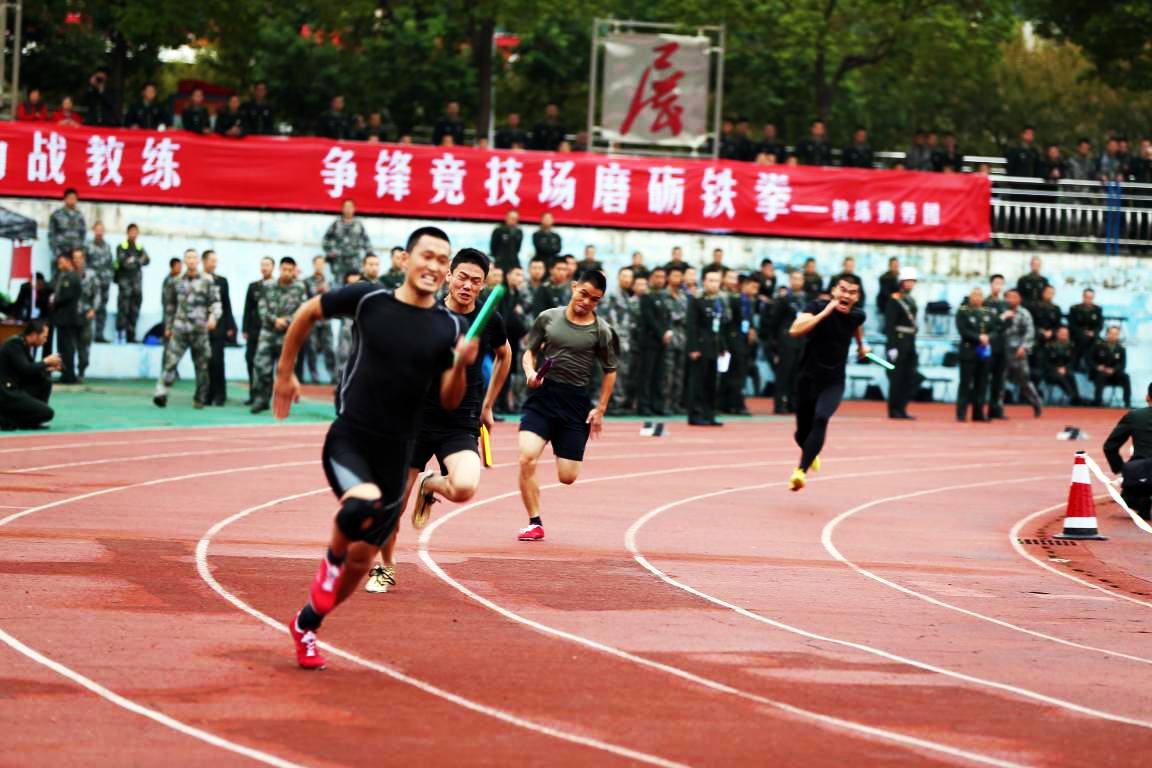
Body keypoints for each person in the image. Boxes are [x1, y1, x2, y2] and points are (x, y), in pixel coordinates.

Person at [271, 226, 477, 669]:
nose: (435, 266)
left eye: (443, 261)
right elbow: (308, 313)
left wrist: (461, 365)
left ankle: (307, 624)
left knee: (362, 561)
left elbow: (449, 400)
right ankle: (329, 561)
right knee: (357, 506)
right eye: (428, 256)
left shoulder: (449, 327)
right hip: (350, 439)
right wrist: (285, 372)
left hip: (396, 454)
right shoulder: (369, 300)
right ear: (405, 259)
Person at [365, 248, 512, 593]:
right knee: (392, 504)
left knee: (464, 487)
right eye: (462, 276)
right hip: (413, 422)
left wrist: (489, 405)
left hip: (460, 422)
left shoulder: (490, 319)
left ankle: (431, 484)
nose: (467, 285)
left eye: (476, 281)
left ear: (483, 285)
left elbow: (504, 354)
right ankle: (384, 566)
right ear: (448, 275)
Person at [516, 270, 617, 541]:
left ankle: (560, 441)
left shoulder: (602, 331)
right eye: (583, 293)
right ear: (574, 287)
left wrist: (601, 409)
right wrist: (530, 372)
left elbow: (610, 370)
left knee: (567, 476)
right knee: (526, 457)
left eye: (594, 299)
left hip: (575, 403)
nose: (586, 301)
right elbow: (529, 350)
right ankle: (534, 522)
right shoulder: (548, 317)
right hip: (544, 397)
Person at [786, 276, 868, 490]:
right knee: (801, 433)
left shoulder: (857, 316)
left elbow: (857, 329)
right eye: (843, 290)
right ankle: (810, 452)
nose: (847, 295)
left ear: (856, 297)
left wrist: (862, 346)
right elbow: (795, 330)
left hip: (833, 381)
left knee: (821, 418)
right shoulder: (816, 306)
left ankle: (800, 472)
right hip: (807, 378)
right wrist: (825, 313)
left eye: (852, 292)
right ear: (833, 291)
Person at [153, 249, 222, 409]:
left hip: (200, 330)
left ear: (198, 261)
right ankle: (161, 393)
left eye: (194, 258)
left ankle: (199, 398)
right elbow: (169, 305)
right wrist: (168, 326)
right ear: (184, 261)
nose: (191, 261)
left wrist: (213, 317)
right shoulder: (176, 281)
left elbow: (215, 302)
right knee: (170, 362)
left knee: (202, 366)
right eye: (188, 258)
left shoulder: (207, 280)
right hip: (180, 329)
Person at [251, 257, 307, 413]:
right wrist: (275, 320)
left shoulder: (299, 288)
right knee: (261, 367)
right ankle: (261, 400)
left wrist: (287, 321)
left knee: (286, 371)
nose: (287, 273)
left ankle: (283, 403)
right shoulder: (268, 286)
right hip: (268, 333)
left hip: (288, 336)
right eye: (284, 269)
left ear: (294, 271)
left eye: (290, 270)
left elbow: (302, 310)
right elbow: (261, 308)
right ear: (279, 269)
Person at [685, 269, 730, 427]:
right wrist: (693, 348)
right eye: (710, 280)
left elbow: (719, 327)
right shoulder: (697, 300)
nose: (713, 284)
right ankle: (695, 414)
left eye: (716, 281)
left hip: (714, 346)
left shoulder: (719, 301)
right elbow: (691, 326)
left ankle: (709, 413)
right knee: (697, 382)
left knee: (711, 382)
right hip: (700, 346)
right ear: (704, 282)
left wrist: (723, 347)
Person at [1103, 382, 1152, 521]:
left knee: (1129, 497)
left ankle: (1141, 498)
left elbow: (1110, 446)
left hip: (1141, 475)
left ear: (1147, 397)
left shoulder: (1134, 416)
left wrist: (1122, 471)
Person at [0, 321, 61, 430]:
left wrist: (46, 368)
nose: (45, 340)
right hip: (6, 393)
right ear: (33, 335)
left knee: (44, 383)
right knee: (47, 413)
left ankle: (30, 421)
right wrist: (45, 362)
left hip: (14, 388)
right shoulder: (14, 344)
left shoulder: (23, 344)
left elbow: (29, 372)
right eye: (44, 337)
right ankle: (6, 419)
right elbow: (26, 369)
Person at [766, 271, 808, 414]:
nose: (797, 281)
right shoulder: (784, 300)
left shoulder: (806, 299)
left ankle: (793, 403)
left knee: (797, 375)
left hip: (801, 341)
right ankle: (779, 404)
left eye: (800, 279)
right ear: (790, 280)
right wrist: (775, 344)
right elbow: (774, 322)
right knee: (783, 374)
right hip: (786, 340)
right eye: (794, 279)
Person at [998, 289, 1043, 418]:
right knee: (1000, 381)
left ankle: (1036, 403)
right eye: (1009, 297)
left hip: (1018, 352)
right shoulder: (1001, 311)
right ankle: (998, 409)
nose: (1011, 299)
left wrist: (1024, 347)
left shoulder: (1024, 313)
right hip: (1002, 352)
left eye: (1014, 297)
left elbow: (1030, 332)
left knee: (1025, 381)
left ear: (1019, 299)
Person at [720, 274, 760, 415]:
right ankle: (733, 404)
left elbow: (748, 320)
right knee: (734, 375)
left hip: (743, 342)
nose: (755, 291)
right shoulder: (736, 300)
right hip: (734, 341)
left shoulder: (749, 301)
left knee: (740, 374)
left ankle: (735, 403)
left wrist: (751, 329)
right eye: (753, 287)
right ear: (744, 285)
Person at [955, 288, 995, 422]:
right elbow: (963, 330)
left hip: (984, 352)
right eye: (975, 295)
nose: (978, 298)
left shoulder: (987, 312)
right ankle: (961, 412)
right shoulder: (963, 311)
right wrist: (978, 337)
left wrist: (988, 337)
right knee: (966, 383)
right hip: (969, 351)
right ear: (970, 296)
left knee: (982, 383)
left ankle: (978, 413)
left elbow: (995, 329)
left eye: (980, 295)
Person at [202, 251, 236, 405]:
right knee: (204, 363)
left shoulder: (222, 281)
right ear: (204, 261)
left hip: (218, 327)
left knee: (217, 362)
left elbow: (226, 304)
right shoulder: (197, 279)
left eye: (216, 261)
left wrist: (230, 325)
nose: (214, 264)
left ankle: (219, 395)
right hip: (200, 328)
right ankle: (206, 395)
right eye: (211, 260)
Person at [884, 268, 919, 419]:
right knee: (896, 377)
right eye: (908, 281)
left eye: (912, 281)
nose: (910, 284)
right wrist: (891, 346)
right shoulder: (894, 299)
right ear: (902, 282)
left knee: (908, 376)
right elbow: (890, 324)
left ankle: (903, 408)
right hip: (898, 341)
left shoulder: (911, 300)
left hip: (910, 341)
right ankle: (894, 409)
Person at [636, 266, 669, 416]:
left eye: (662, 277)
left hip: (662, 342)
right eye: (657, 276)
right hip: (649, 341)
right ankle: (644, 405)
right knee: (646, 375)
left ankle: (657, 405)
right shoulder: (646, 297)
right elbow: (650, 319)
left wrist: (667, 332)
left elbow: (666, 318)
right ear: (651, 279)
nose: (659, 280)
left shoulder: (664, 297)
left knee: (659, 375)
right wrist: (662, 333)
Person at [242, 257, 274, 404]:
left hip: (269, 331)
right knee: (250, 361)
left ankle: (265, 397)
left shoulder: (277, 286)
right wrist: (245, 329)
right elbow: (247, 309)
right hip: (254, 331)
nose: (264, 268)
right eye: (262, 265)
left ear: (273, 267)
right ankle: (253, 394)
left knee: (266, 365)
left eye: (267, 265)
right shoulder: (253, 286)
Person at [303, 256, 338, 384]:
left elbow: (335, 297)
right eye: (317, 263)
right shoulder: (306, 281)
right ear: (313, 265)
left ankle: (333, 376)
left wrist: (328, 291)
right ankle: (314, 377)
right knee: (311, 349)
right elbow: (304, 299)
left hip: (326, 319)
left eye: (322, 263)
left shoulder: (330, 281)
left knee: (329, 348)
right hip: (312, 319)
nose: (320, 266)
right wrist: (317, 290)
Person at [114, 224, 150, 343]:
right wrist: (138, 260)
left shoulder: (140, 247)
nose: (133, 234)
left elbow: (147, 260)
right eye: (131, 231)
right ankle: (120, 336)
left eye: (136, 232)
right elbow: (124, 263)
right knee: (123, 310)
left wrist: (135, 260)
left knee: (134, 311)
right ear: (127, 233)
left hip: (137, 286)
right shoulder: (121, 246)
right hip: (125, 286)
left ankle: (131, 336)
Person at [50, 253, 82, 384]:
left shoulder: (71, 277)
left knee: (67, 347)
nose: (59, 264)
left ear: (69, 262)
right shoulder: (62, 276)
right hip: (62, 318)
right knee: (62, 347)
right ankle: (65, 374)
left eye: (61, 262)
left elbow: (67, 296)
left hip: (67, 318)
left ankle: (69, 376)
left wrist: (54, 301)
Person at [323, 200, 372, 285]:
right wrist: (331, 252)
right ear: (342, 209)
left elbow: (366, 241)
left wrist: (369, 255)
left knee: (356, 285)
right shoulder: (336, 224)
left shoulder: (358, 224)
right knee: (339, 286)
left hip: (355, 261)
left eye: (350, 207)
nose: (348, 209)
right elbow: (325, 240)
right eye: (346, 207)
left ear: (354, 209)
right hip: (339, 261)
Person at [662, 266, 689, 416]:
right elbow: (669, 315)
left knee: (680, 374)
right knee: (668, 375)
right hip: (669, 340)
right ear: (668, 277)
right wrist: (680, 317)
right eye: (674, 275)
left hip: (682, 339)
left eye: (680, 276)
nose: (677, 278)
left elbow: (687, 315)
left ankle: (676, 403)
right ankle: (665, 404)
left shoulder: (684, 296)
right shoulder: (663, 295)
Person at [86, 222, 114, 342]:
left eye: (102, 230)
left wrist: (109, 277)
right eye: (97, 229)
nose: (99, 232)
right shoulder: (88, 246)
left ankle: (99, 335)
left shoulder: (107, 247)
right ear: (93, 230)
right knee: (89, 308)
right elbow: (84, 264)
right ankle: (87, 335)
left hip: (104, 283)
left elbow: (110, 264)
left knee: (102, 309)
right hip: (91, 284)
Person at [73, 249, 98, 381]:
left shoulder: (91, 275)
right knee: (70, 346)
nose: (77, 260)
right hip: (71, 316)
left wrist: (93, 309)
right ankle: (69, 373)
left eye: (79, 257)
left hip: (85, 315)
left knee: (84, 345)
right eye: (74, 257)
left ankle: (81, 370)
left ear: (83, 259)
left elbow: (97, 294)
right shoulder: (69, 274)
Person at [1091, 326, 1131, 408]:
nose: (1113, 336)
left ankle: (1127, 403)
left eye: (1116, 334)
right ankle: (1098, 402)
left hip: (1114, 374)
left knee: (1126, 377)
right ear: (1107, 334)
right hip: (1100, 373)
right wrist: (1097, 367)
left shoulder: (1121, 349)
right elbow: (1090, 360)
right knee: (1100, 376)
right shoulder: (1098, 346)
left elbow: (1123, 365)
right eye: (1111, 333)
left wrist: (1114, 370)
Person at [1043, 327, 1081, 405]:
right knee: (1060, 377)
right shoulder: (1050, 346)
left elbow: (1073, 361)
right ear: (1057, 334)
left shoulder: (1071, 346)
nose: (1064, 336)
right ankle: (1072, 396)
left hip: (1065, 370)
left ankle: (1077, 397)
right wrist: (1056, 369)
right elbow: (1045, 362)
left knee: (1071, 375)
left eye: (1066, 334)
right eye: (1062, 334)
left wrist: (1065, 368)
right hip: (1051, 372)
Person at [1068, 289, 1103, 372]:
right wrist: (1083, 332)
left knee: (1100, 344)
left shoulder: (1097, 309)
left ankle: (1094, 367)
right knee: (1083, 339)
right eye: (1087, 297)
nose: (1088, 299)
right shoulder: (1075, 308)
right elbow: (1072, 324)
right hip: (1077, 334)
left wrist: (1094, 332)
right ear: (1083, 297)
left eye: (1091, 297)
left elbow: (1100, 325)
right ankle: (1078, 365)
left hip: (1092, 335)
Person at [48, 188, 86, 262]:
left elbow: (83, 234)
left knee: (80, 265)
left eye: (74, 198)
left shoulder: (80, 216)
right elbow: (51, 235)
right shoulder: (56, 215)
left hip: (75, 253)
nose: (72, 200)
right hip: (61, 252)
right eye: (70, 198)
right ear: (65, 199)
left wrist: (80, 251)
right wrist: (57, 253)